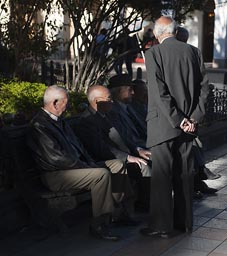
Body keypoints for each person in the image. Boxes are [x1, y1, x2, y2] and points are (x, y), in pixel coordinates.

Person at [140, 16, 209, 238]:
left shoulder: (153, 54)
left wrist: (179, 120)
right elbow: (204, 89)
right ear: (175, 30)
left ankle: (161, 226)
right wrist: (193, 118)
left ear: (158, 33)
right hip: (188, 127)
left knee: (161, 177)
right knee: (185, 175)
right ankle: (185, 223)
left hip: (163, 125)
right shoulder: (194, 52)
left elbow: (159, 93)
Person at [27, 85, 120, 241]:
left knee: (117, 164)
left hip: (75, 167)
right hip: (56, 175)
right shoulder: (39, 125)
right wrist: (86, 166)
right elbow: (55, 158)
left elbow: (79, 146)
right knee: (101, 175)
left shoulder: (60, 121)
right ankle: (99, 224)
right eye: (66, 102)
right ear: (55, 103)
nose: (68, 106)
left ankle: (118, 212)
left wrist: (89, 162)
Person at [72, 85, 152, 213]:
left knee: (151, 158)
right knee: (143, 167)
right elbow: (101, 148)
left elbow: (123, 138)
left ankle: (148, 203)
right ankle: (140, 208)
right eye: (109, 99)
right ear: (97, 101)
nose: (112, 102)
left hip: (122, 154)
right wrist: (128, 157)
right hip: (107, 159)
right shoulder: (87, 121)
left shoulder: (108, 115)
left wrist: (137, 149)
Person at [175, 26, 220, 198]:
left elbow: (203, 85)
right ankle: (197, 181)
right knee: (190, 147)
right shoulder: (168, 54)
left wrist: (194, 117)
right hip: (177, 116)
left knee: (193, 146)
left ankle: (196, 183)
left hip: (185, 114)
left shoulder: (193, 53)